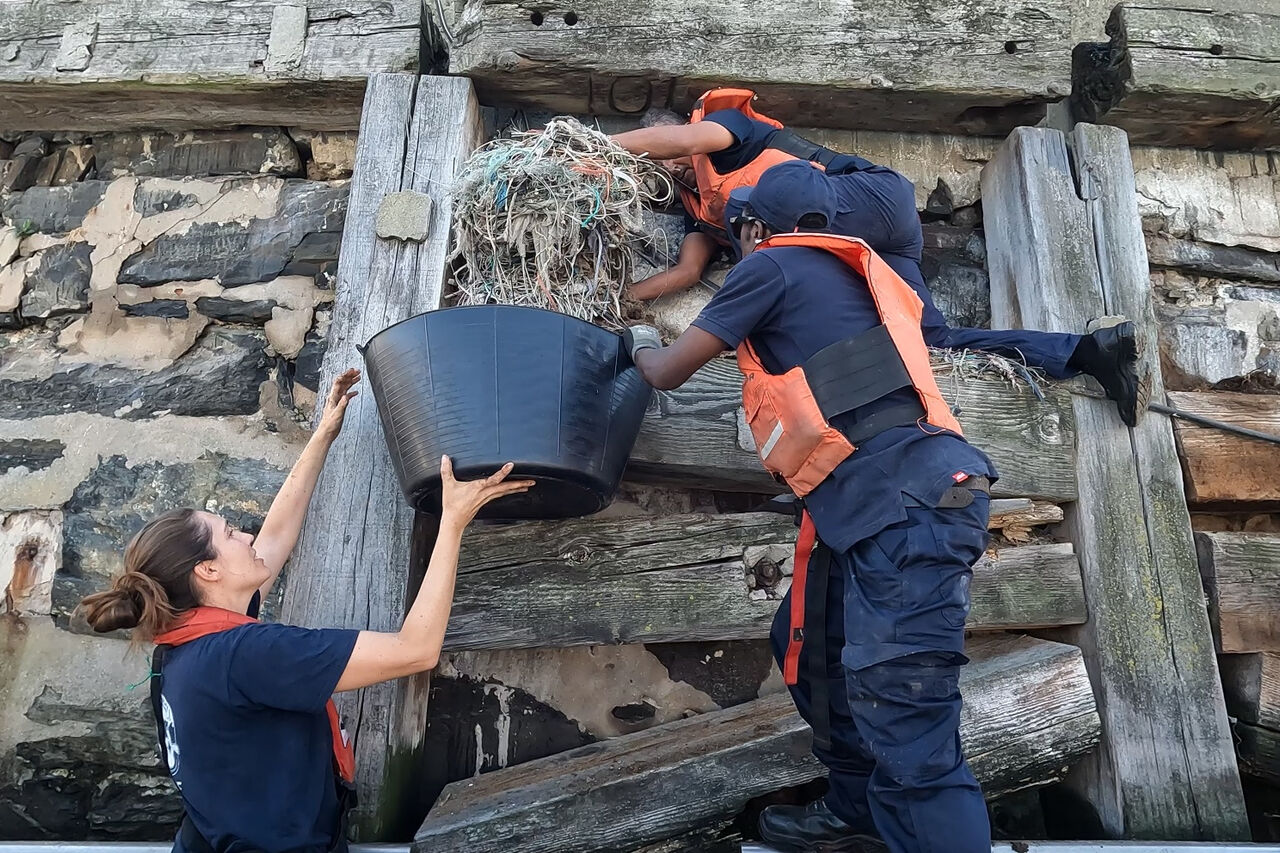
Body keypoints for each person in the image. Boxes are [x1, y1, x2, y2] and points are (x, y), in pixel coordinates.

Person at [621, 162, 1142, 853]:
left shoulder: (769, 265)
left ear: (753, 228)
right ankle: (856, 809)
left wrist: (632, 343)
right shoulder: (860, 277)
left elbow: (668, 371)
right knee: (810, 652)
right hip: (869, 503)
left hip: (907, 503)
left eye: (742, 232)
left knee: (906, 722)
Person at [78, 369, 533, 853]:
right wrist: (453, 522)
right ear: (208, 572)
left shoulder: (182, 643)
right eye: (230, 533)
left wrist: (322, 437)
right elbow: (416, 650)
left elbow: (273, 539)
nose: (246, 536)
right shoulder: (249, 655)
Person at [614, 89, 1145, 425]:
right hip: (884, 242)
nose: (677, 170)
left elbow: (677, 139)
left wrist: (581, 147)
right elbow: (686, 272)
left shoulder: (727, 131)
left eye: (676, 160)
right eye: (665, 174)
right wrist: (615, 298)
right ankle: (1089, 352)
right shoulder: (699, 212)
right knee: (929, 338)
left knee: (785, 229)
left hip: (868, 200)